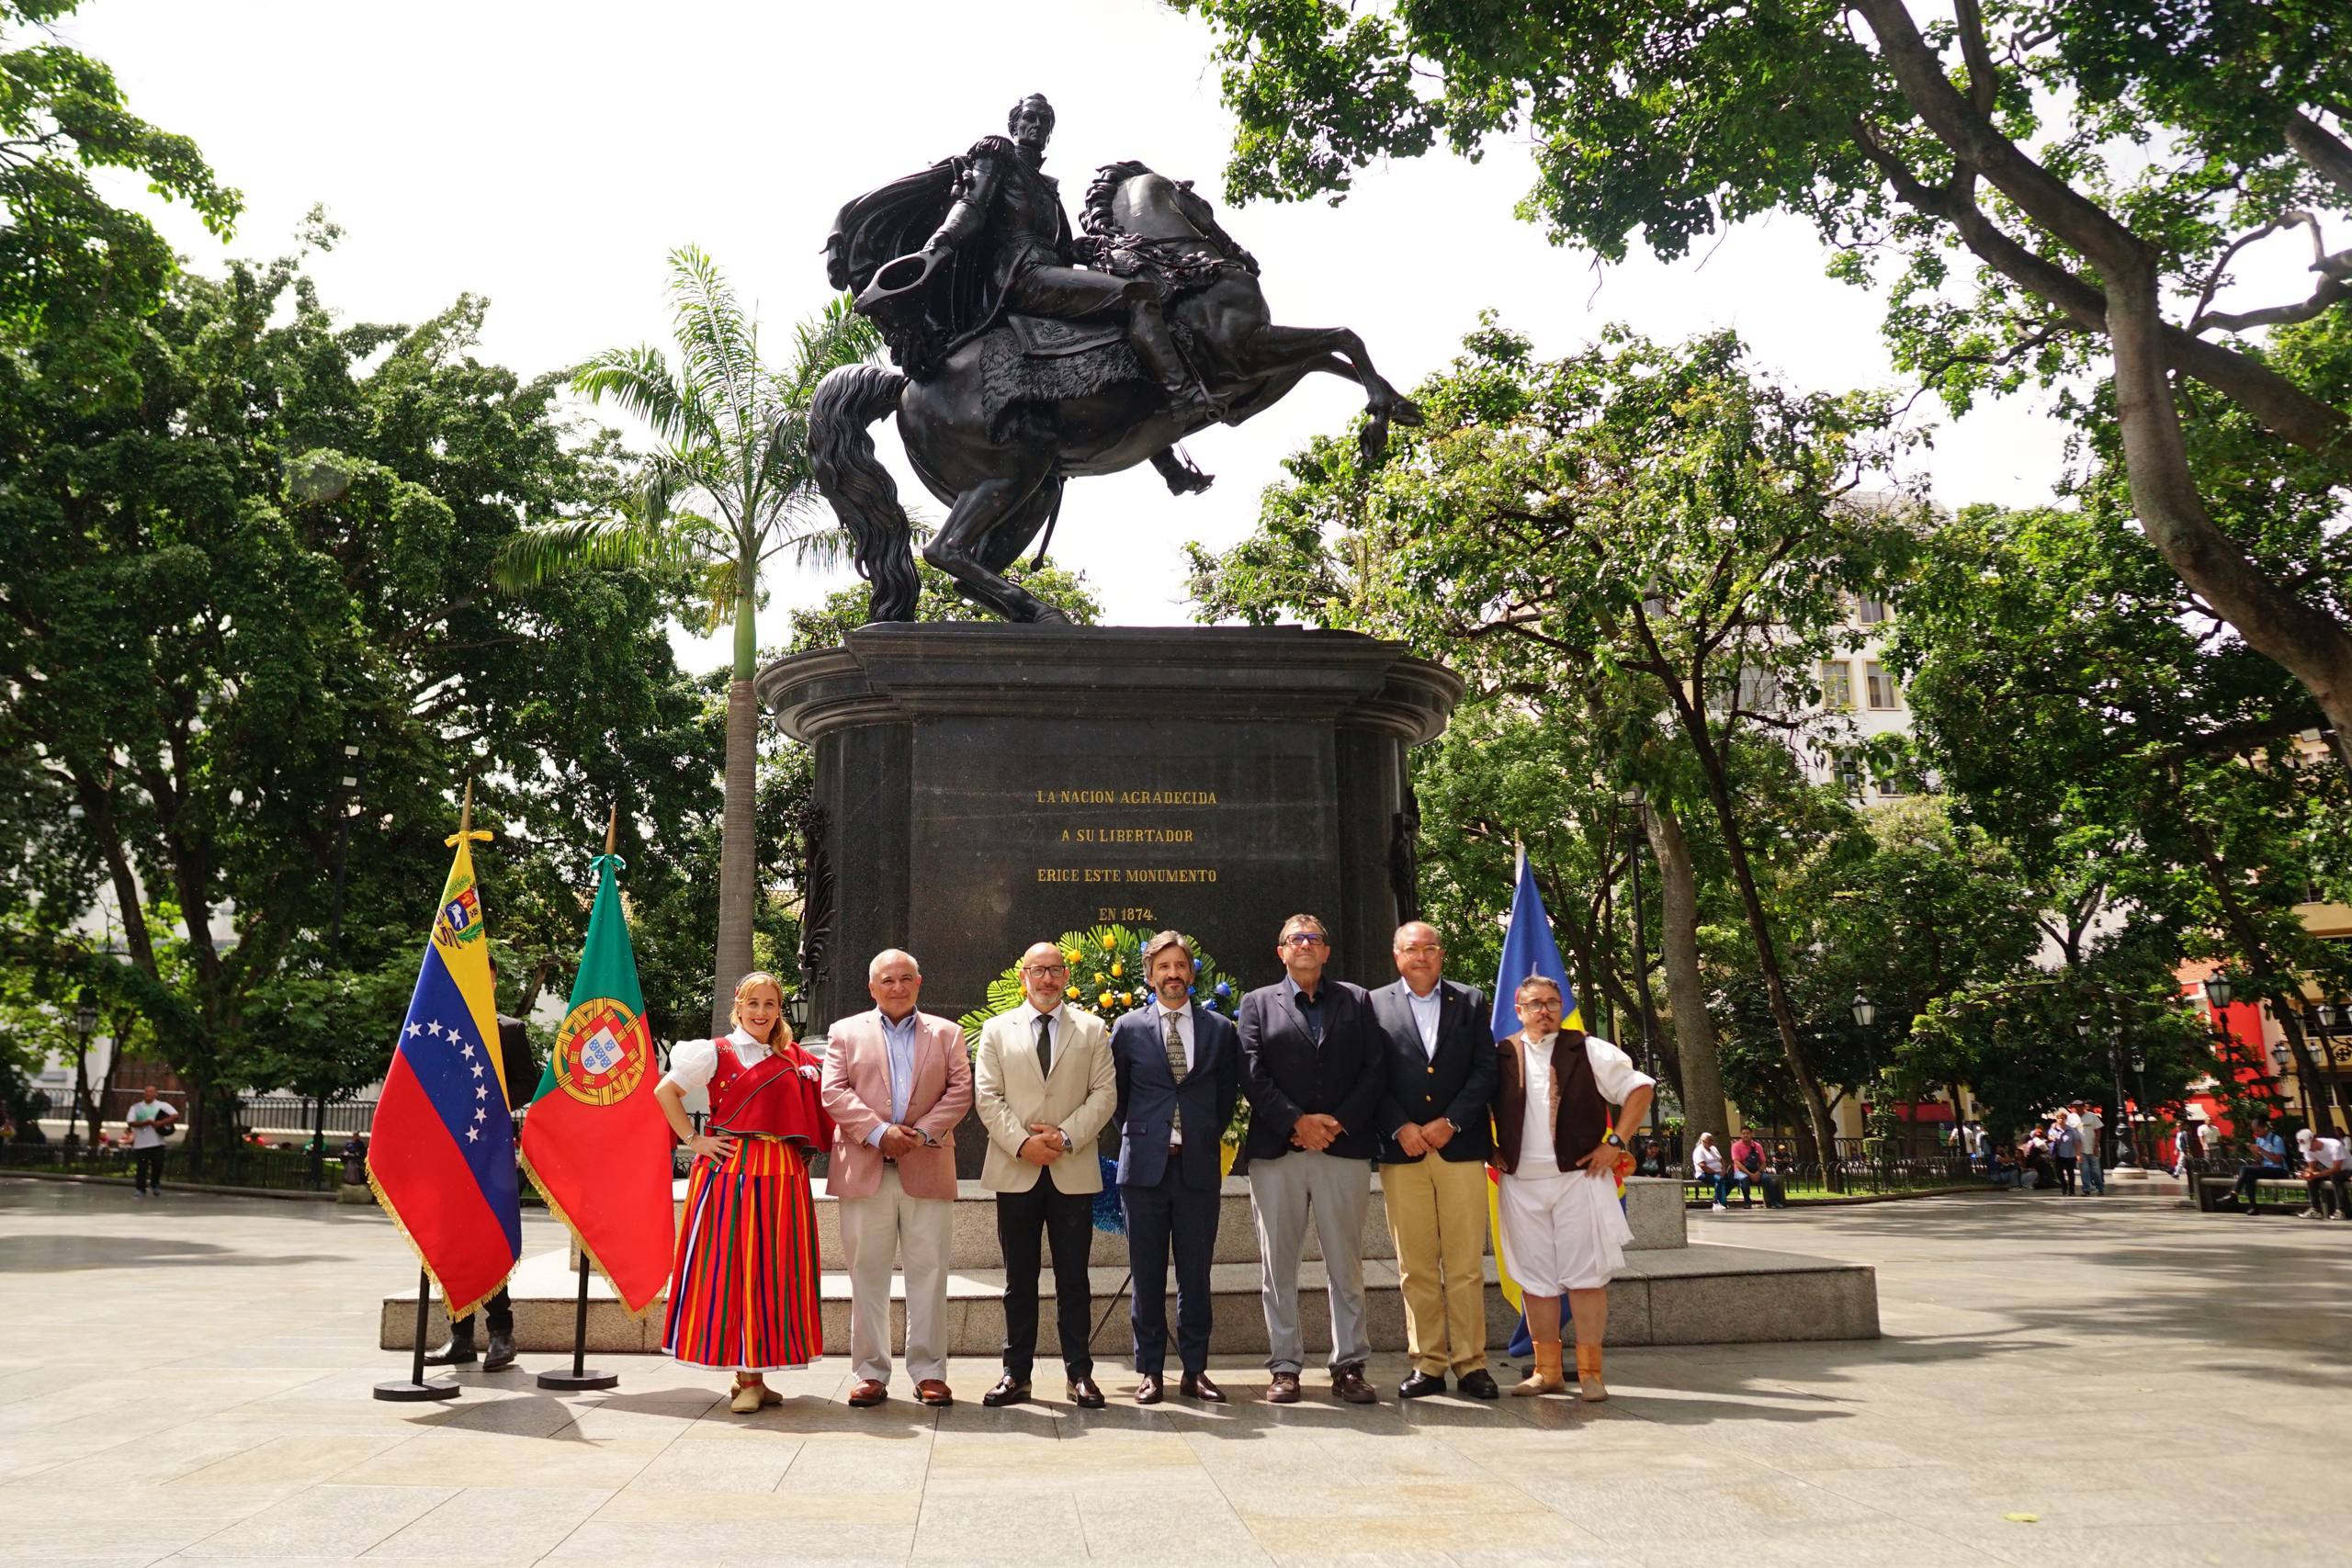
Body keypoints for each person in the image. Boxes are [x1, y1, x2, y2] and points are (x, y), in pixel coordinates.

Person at [656, 971, 831, 1413]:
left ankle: (756, 1372)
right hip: (732, 1175)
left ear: (779, 1010)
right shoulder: (716, 1052)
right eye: (753, 1003)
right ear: (739, 1006)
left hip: (783, 1175)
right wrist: (694, 1141)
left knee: (777, 1272)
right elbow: (665, 1091)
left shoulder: (791, 1056)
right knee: (738, 1270)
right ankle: (748, 1375)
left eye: (770, 1004)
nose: (761, 1012)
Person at [1238, 913, 1387, 1405]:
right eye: (1294, 939)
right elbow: (1252, 1072)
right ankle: (1284, 1367)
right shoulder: (1257, 1004)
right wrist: (1296, 1122)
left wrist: (1337, 1123)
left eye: (1314, 938)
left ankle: (1349, 1364)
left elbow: (1374, 1068)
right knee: (1277, 1264)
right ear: (1281, 951)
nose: (1304, 945)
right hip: (1279, 1150)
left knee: (1345, 1262)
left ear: (1326, 952)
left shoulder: (1357, 1000)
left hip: (1342, 1149)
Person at [1488, 976, 1655, 1400]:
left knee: (1586, 1278)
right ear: (1518, 1007)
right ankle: (1547, 1371)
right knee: (1536, 1280)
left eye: (1552, 1002)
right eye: (1535, 1003)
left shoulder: (1588, 1048)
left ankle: (1591, 1371)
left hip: (1581, 1181)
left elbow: (1640, 1089)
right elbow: (1475, 1105)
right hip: (1520, 1184)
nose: (1544, 1010)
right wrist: (1489, 1152)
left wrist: (1614, 1142)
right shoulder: (1501, 1054)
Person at [821, 949, 973, 1409]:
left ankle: (930, 1372)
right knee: (867, 1275)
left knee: (929, 1273)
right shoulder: (844, 1032)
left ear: (919, 983)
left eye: (906, 978)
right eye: (888, 980)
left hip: (926, 1165)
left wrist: (919, 1134)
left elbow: (960, 1090)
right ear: (872, 987)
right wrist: (879, 1132)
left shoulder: (947, 1034)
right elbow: (833, 1090)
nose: (898, 987)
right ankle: (869, 1372)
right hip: (865, 1168)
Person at [974, 941, 1117, 1410]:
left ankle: (1080, 1374)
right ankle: (1016, 1374)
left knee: (1074, 1278)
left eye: (1056, 970)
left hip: (1071, 1168)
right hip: (1017, 1169)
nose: (1048, 979)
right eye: (1039, 970)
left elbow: (1104, 1094)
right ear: (1024, 977)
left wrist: (1064, 1137)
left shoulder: (1093, 1029)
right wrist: (1023, 1143)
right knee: (1019, 1279)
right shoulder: (996, 1031)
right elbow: (987, 1097)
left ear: (1066, 977)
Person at [1368, 921, 1500, 1401]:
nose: (1420, 957)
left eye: (1429, 949)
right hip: (1402, 1151)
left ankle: (1471, 1364)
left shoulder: (1470, 1000)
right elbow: (1370, 1075)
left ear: (1441, 955)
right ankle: (1427, 1363)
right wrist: (1400, 1126)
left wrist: (1453, 1121)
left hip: (1459, 1148)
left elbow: (1487, 1069)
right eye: (1411, 949)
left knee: (1465, 1264)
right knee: (1416, 1265)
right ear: (1396, 955)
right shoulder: (1374, 1003)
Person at [1109, 931, 1240, 1404]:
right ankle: (1150, 1371)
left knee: (1195, 1275)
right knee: (1146, 1275)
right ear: (1149, 975)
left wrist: (1197, 1134)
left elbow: (1226, 1097)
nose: (1173, 975)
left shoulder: (1219, 1030)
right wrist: (1150, 1136)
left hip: (1198, 1169)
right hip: (1144, 1171)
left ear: (1192, 972)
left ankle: (1195, 1369)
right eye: (1163, 967)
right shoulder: (1127, 1029)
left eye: (1180, 966)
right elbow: (1119, 1100)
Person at [424, 998, 538, 1372]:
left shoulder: (509, 1030)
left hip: (488, 1150)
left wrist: (489, 1100)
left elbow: (528, 1084)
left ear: (490, 980)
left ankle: (501, 1334)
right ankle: (460, 1336)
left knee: (487, 1238)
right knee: (448, 1241)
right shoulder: (435, 1025)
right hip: (445, 1149)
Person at [2229, 1120, 2290, 1212]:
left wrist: (2262, 1150)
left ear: (2265, 1128)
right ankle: (2253, 1206)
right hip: (2267, 1168)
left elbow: (2277, 1160)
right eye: (2254, 1131)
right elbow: (2262, 1161)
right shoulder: (2259, 1140)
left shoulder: (2276, 1139)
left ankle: (2234, 1193)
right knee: (2249, 1176)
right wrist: (2255, 1153)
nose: (2256, 1133)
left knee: (2245, 1169)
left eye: (2258, 1130)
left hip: (2279, 1170)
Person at [124, 1086, 175, 1196]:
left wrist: (159, 1123)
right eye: (146, 1092)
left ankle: (155, 1184)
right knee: (142, 1167)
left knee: (158, 1165)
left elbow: (175, 1116)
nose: (148, 1094)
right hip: (141, 1143)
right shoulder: (136, 1107)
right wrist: (145, 1123)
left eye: (151, 1092)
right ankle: (140, 1189)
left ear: (156, 1094)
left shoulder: (162, 1106)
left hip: (158, 1143)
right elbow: (130, 1122)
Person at [2299, 1129, 2348, 1221]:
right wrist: (2308, 1174)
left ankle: (2342, 1210)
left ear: (2314, 1139)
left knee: (2336, 1176)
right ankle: (2315, 1209)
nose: (2309, 1149)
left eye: (2309, 1146)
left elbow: (2337, 1168)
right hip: (2330, 1169)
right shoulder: (2308, 1150)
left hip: (2346, 1169)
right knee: (2312, 1180)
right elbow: (2312, 1168)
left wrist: (2316, 1175)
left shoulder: (2334, 1145)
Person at [1727, 1132, 1776, 1208]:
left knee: (1767, 1178)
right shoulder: (1735, 1146)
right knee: (1744, 1178)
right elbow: (1737, 1163)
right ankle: (1747, 1202)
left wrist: (1758, 1173)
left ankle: (1774, 1202)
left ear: (1751, 1134)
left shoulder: (1757, 1146)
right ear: (1741, 1135)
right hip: (1741, 1171)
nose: (1745, 1135)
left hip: (1755, 1170)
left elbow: (1763, 1162)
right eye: (1743, 1133)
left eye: (1748, 1133)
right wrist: (1750, 1174)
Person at [2072, 1101, 2106, 1195]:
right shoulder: (2072, 1118)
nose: (2076, 1109)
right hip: (2080, 1149)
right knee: (2084, 1170)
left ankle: (2100, 1187)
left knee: (2096, 1170)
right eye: (2074, 1107)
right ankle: (2086, 1189)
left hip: (2092, 1147)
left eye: (2078, 1107)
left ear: (2083, 1107)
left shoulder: (2092, 1116)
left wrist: (2096, 1145)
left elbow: (2098, 1131)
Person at [1691, 1132, 1729, 1211]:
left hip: (1719, 1172)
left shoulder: (1713, 1148)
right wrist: (1716, 1173)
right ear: (1702, 1141)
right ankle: (1717, 1202)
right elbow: (1702, 1166)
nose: (1711, 1143)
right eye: (1708, 1141)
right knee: (1719, 1179)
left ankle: (1721, 1199)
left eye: (1712, 1140)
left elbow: (1722, 1161)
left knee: (1733, 1180)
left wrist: (1723, 1170)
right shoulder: (1699, 1150)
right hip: (1704, 1173)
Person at [2048, 1112, 2078, 1196]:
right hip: (2058, 1154)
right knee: (2059, 1172)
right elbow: (2049, 1136)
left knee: (2070, 1172)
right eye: (2059, 1118)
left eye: (2063, 1118)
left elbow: (2076, 1142)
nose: (2061, 1120)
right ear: (2056, 1119)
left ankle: (2071, 1190)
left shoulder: (2071, 1130)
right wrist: (2052, 1138)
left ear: (2065, 1119)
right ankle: (2064, 1186)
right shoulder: (2054, 1128)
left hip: (2070, 1154)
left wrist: (2078, 1154)